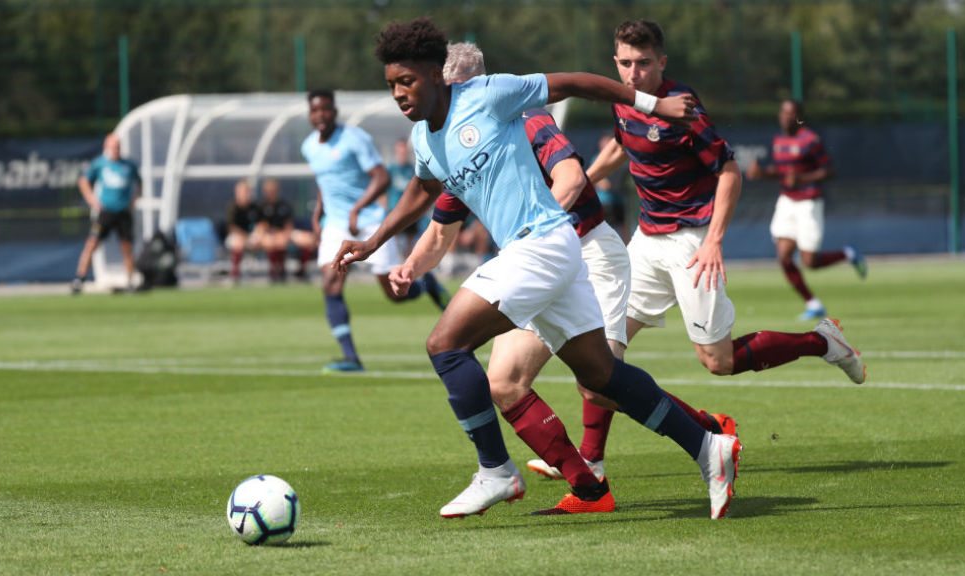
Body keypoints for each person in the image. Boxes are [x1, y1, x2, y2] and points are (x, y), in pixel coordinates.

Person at [335, 17, 742, 520]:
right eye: (391, 84)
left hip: (543, 245)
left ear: (436, 74)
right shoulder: (424, 139)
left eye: (407, 81)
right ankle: (707, 448)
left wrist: (652, 105)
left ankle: (496, 473)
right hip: (552, 255)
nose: (398, 93)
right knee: (602, 376)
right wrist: (375, 242)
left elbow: (575, 83)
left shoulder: (488, 94)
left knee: (444, 344)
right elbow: (423, 190)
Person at [552, 20, 865, 478]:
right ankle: (592, 462)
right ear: (614, 62)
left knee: (718, 361)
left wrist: (713, 240)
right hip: (645, 242)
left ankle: (822, 342)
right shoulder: (624, 101)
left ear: (662, 62)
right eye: (625, 64)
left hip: (690, 241)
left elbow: (730, 171)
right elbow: (622, 145)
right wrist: (585, 180)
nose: (634, 73)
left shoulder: (684, 108)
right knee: (600, 356)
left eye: (643, 63)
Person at [439, 41, 736, 511]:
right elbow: (440, 218)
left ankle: (707, 434)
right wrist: (389, 255)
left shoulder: (526, 117)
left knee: (600, 382)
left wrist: (536, 232)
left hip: (584, 251)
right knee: (505, 380)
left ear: (466, 85)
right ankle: (590, 485)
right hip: (533, 261)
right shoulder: (455, 140)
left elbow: (572, 178)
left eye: (445, 89)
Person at [301, 88, 450, 373]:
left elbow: (380, 178)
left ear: (334, 111)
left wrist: (358, 207)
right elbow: (325, 182)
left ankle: (426, 285)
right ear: (310, 114)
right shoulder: (309, 146)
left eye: (326, 109)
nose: (320, 115)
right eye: (315, 110)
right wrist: (318, 216)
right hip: (335, 224)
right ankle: (351, 358)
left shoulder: (354, 139)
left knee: (395, 294)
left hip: (368, 221)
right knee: (331, 284)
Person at [746, 99, 867, 321]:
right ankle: (813, 303)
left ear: (799, 116)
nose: (784, 116)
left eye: (790, 113)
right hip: (787, 201)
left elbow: (829, 171)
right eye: (782, 112)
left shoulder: (810, 140)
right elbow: (782, 172)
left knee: (809, 261)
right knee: (783, 256)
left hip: (809, 203)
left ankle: (848, 254)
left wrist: (803, 178)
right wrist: (762, 173)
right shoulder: (779, 140)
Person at [71, 133, 141, 294]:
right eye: (113, 146)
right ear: (107, 147)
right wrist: (92, 199)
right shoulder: (100, 164)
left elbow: (139, 183)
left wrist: (133, 201)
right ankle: (79, 279)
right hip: (105, 213)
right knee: (92, 243)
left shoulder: (129, 165)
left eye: (118, 146)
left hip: (123, 213)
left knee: (127, 247)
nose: (116, 149)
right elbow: (83, 181)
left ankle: (130, 281)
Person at [256, 179, 316, 282]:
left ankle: (301, 270)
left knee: (308, 240)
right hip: (267, 234)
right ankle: (275, 271)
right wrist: (274, 234)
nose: (271, 193)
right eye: (269, 190)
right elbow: (261, 226)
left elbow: (289, 225)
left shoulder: (284, 205)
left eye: (273, 190)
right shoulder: (261, 206)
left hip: (284, 233)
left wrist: (284, 234)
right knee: (271, 241)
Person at [224, 180, 263, 283]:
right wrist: (247, 236)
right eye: (243, 192)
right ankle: (235, 273)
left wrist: (258, 233)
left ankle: (277, 272)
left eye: (247, 191)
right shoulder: (233, 208)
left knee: (270, 240)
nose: (246, 194)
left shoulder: (255, 207)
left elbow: (261, 223)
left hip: (252, 237)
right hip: (236, 238)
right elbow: (232, 228)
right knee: (238, 242)